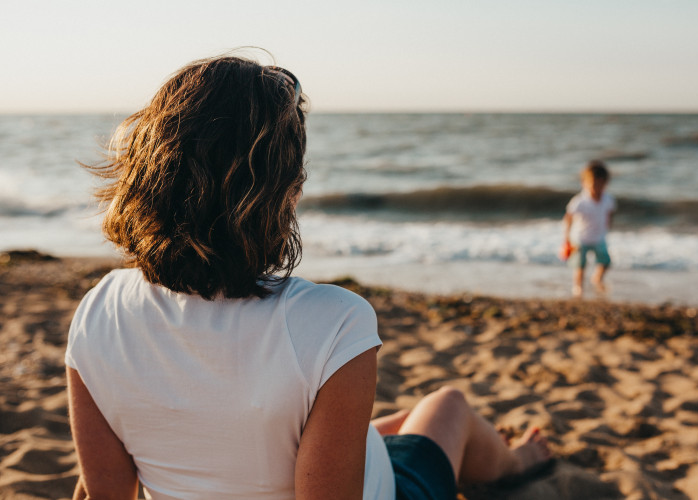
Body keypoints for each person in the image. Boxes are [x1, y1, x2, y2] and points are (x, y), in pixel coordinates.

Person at [66, 52, 551, 500]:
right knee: (448, 407)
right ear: (285, 193)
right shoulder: (335, 323)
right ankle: (522, 463)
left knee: (391, 425)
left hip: (270, 454)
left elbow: (106, 492)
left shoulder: (97, 313)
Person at [563, 160, 616, 298]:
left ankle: (597, 278)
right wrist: (566, 238)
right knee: (580, 265)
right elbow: (568, 218)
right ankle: (578, 287)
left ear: (605, 184)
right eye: (593, 184)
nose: (596, 188)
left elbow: (609, 213)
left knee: (606, 261)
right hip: (580, 238)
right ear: (584, 183)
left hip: (599, 237)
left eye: (600, 184)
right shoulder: (579, 201)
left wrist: (607, 226)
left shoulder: (608, 199)